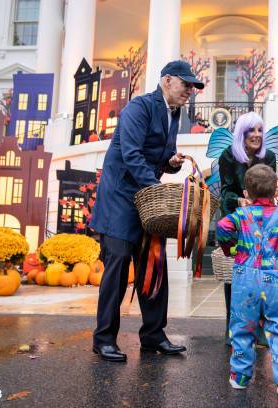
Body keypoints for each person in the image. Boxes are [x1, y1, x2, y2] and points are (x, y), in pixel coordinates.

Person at [90, 60, 205, 362]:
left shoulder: (174, 113)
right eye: (186, 84)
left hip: (145, 197)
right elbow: (130, 154)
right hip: (120, 198)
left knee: (154, 267)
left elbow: (159, 156)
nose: (190, 91)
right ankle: (103, 339)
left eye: (193, 87)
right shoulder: (138, 108)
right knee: (117, 270)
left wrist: (171, 162)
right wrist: (155, 186)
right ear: (167, 80)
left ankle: (153, 336)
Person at [216, 164, 278, 400]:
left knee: (242, 326)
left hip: (245, 278)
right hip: (276, 279)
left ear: (247, 193)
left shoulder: (240, 215)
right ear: (275, 191)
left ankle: (240, 376)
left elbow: (222, 227)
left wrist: (229, 248)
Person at [218, 111, 276, 346]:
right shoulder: (228, 156)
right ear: (242, 133)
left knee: (260, 276)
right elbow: (225, 191)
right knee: (236, 277)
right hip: (237, 224)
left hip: (262, 223)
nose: (256, 135)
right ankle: (233, 328)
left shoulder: (268, 157)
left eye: (260, 130)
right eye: (251, 130)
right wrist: (238, 201)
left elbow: (271, 189)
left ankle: (259, 327)